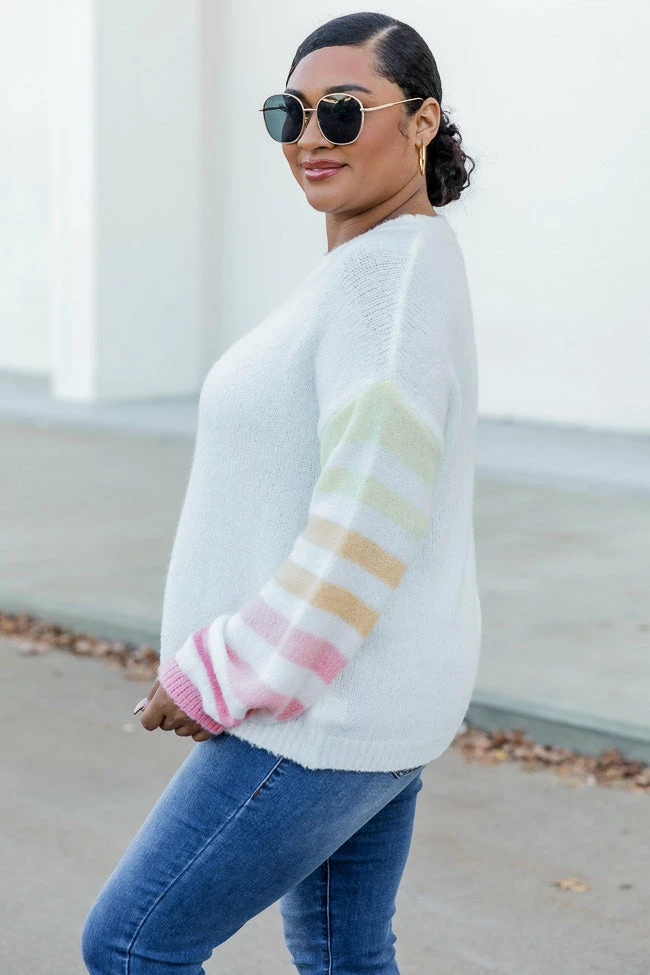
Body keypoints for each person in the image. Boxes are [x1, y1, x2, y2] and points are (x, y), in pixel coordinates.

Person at [81, 11, 479, 974]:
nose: (310, 136)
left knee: (132, 944)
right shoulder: (385, 267)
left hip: (316, 715)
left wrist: (218, 675)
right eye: (288, 113)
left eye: (343, 111)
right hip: (369, 700)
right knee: (345, 953)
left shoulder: (385, 291)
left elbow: (368, 526)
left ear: (421, 121)